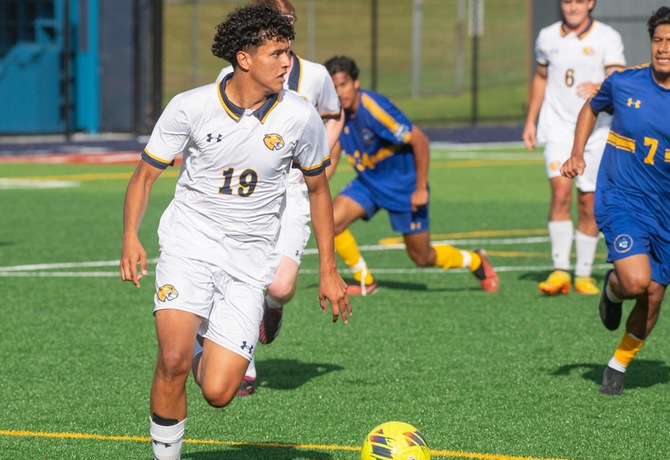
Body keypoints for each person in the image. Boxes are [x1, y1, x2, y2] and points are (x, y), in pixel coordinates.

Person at [119, 5, 350, 459]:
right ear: (244, 58)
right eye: (277, 53)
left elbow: (319, 192)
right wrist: (131, 235)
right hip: (190, 246)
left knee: (220, 391)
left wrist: (328, 268)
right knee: (172, 361)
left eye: (289, 52)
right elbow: (143, 177)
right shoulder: (191, 106)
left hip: (248, 263)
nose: (288, 63)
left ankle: (209, 338)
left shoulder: (301, 116)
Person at [215, 0, 344, 397]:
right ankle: (245, 363)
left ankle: (273, 308)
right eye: (275, 22)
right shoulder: (232, 73)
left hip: (292, 187)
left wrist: (321, 161)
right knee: (243, 273)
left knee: (283, 286)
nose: (282, 27)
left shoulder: (316, 75)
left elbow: (334, 114)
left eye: (288, 21)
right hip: (251, 188)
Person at [561, 6, 670, 395]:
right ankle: (614, 287)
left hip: (666, 210)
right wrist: (578, 152)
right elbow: (591, 106)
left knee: (654, 296)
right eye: (658, 39)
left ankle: (618, 364)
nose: (662, 48)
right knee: (637, 281)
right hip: (623, 198)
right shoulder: (625, 83)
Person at [324, 55, 499, 295]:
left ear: (355, 83)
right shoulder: (336, 114)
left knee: (422, 256)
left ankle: (476, 261)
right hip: (369, 184)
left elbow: (420, 141)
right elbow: (332, 155)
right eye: (333, 87)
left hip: (403, 187)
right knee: (330, 220)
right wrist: (312, 188)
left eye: (343, 84)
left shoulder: (374, 109)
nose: (339, 92)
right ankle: (366, 280)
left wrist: (420, 189)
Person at [522, 0, 625, 296]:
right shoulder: (547, 36)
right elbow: (541, 78)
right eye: (567, 1)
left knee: (588, 201)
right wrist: (531, 121)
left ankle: (583, 273)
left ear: (591, 3)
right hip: (556, 127)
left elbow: (616, 76)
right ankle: (560, 270)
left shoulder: (607, 36)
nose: (573, 7)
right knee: (560, 193)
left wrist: (600, 85)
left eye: (579, 1)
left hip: (596, 130)